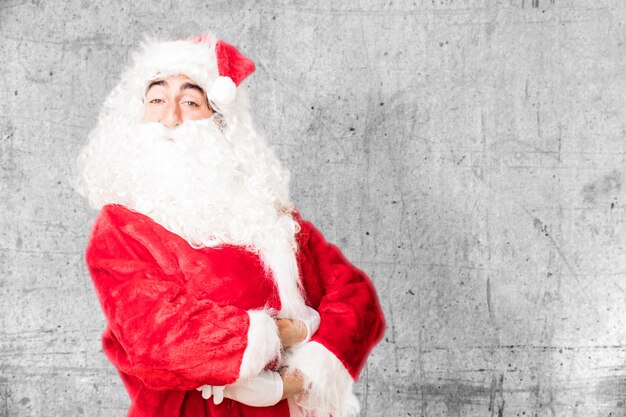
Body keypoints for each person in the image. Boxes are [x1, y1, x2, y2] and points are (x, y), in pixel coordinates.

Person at [76, 33, 385, 417]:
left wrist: (295, 380)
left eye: (190, 102)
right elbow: (160, 339)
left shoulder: (270, 218)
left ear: (219, 124)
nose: (170, 119)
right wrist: (288, 330)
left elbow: (357, 299)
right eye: (157, 99)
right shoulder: (121, 230)